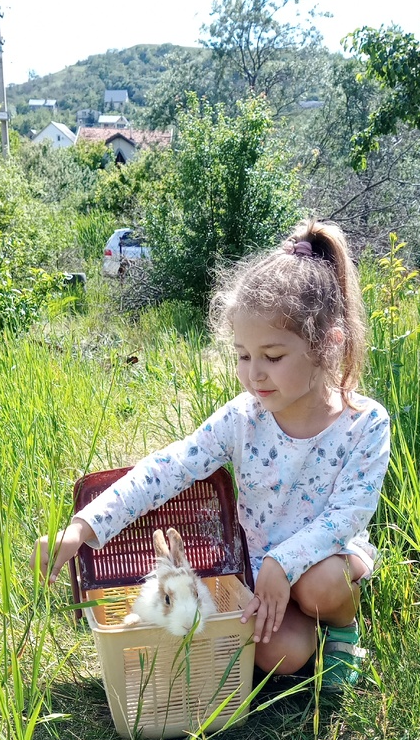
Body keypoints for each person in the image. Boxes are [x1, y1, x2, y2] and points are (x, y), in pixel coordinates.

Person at [33, 218, 391, 688]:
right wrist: (84, 526)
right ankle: (306, 633)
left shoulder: (364, 422)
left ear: (328, 343)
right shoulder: (243, 418)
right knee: (279, 655)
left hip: (329, 558)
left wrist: (284, 562)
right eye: (243, 355)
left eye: (272, 356)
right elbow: (168, 469)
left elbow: (348, 514)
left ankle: (342, 628)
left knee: (320, 584)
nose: (254, 374)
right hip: (259, 567)